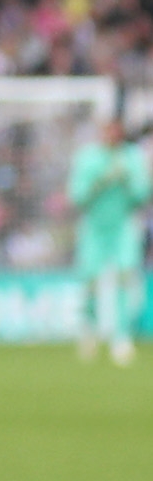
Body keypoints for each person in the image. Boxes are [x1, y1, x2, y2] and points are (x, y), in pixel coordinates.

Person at [66, 112, 150, 366]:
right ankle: (88, 331)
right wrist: (101, 181)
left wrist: (126, 180)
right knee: (90, 281)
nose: (112, 135)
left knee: (125, 277)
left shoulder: (133, 157)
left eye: (117, 130)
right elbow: (77, 196)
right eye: (108, 130)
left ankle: (121, 337)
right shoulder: (88, 158)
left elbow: (143, 195)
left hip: (123, 225)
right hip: (94, 227)